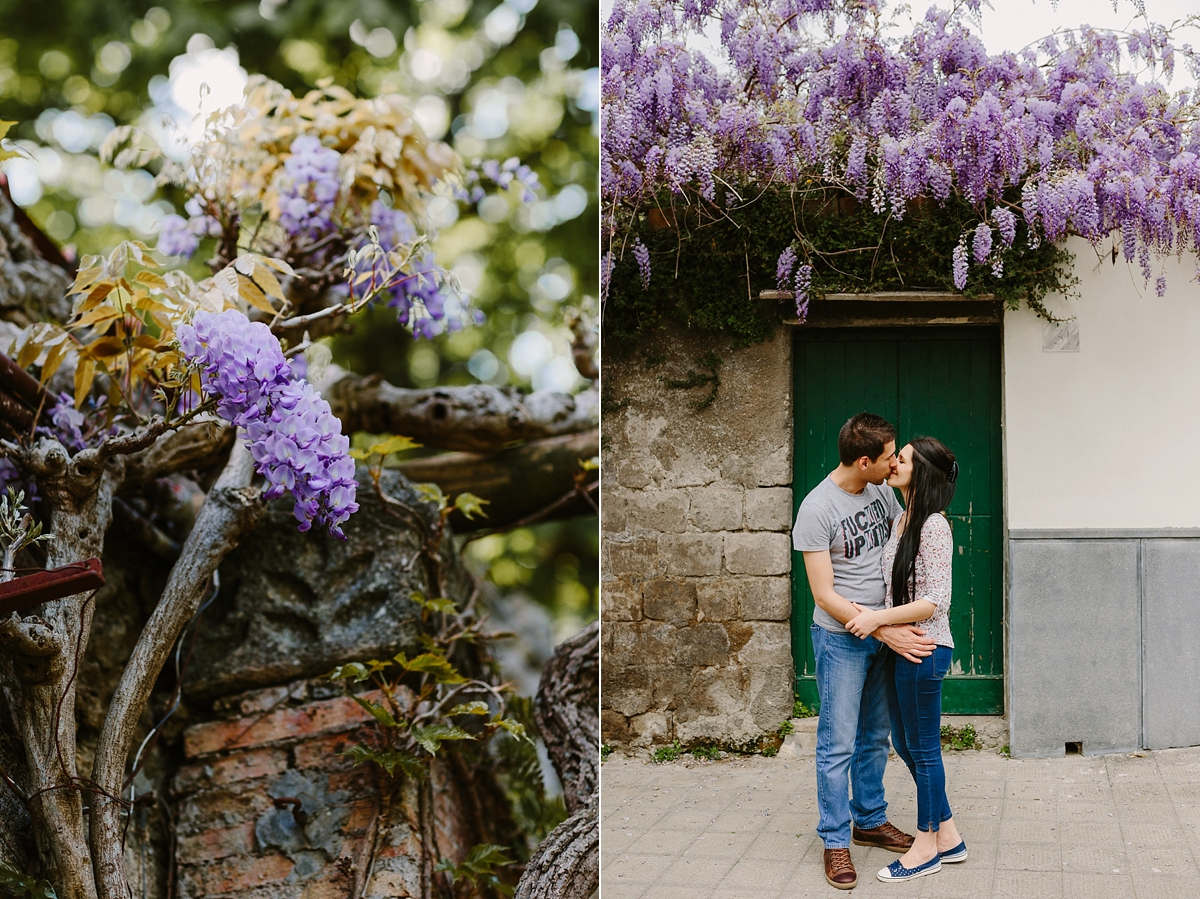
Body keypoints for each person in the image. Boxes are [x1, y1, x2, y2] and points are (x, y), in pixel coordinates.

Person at [792, 413, 938, 891]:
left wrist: (890, 622)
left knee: (875, 736)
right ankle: (836, 840)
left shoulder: (879, 489)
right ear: (863, 461)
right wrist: (880, 631)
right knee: (837, 743)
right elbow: (824, 596)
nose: (895, 462)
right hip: (843, 640)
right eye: (889, 456)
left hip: (884, 630)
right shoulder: (817, 509)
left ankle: (869, 819)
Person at [845, 436, 967, 884]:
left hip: (926, 648)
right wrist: (878, 622)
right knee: (906, 744)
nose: (894, 462)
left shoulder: (933, 525)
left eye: (905, 459)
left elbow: (934, 601)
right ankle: (950, 835)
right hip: (902, 647)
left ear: (924, 473)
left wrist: (876, 618)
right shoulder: (901, 520)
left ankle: (926, 846)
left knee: (925, 751)